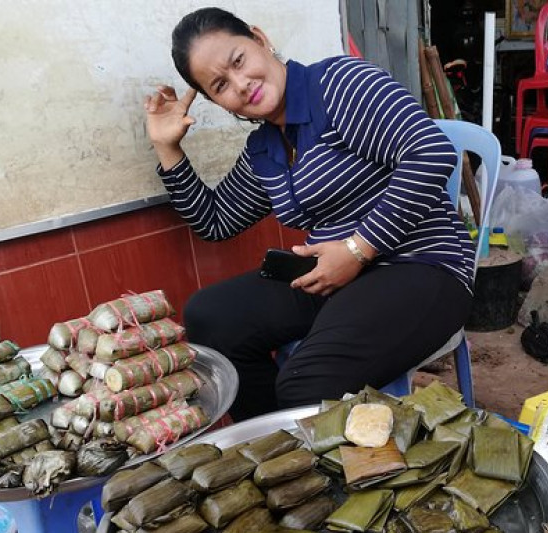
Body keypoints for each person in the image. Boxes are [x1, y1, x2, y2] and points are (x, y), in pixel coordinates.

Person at [145, 7, 475, 421]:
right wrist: (168, 148)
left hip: (422, 266)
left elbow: (430, 153)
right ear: (215, 101)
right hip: (337, 278)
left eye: (238, 60)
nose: (241, 85)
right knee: (210, 317)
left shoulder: (339, 84)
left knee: (307, 383)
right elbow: (216, 221)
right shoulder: (265, 148)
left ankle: (308, 454)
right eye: (221, 85)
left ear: (260, 39)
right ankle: (274, 443)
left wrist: (358, 249)